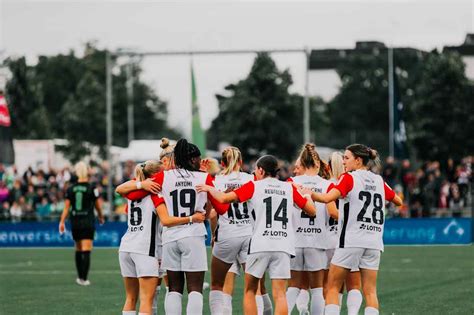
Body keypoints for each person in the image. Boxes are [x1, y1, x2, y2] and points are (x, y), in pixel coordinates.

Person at [120, 138, 228, 315]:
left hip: (170, 237)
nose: (200, 162)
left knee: (174, 289)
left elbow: (132, 195)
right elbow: (219, 209)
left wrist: (140, 184)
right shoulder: (204, 177)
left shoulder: (163, 176)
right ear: (192, 160)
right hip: (193, 234)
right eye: (198, 159)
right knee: (195, 289)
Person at [197, 155, 317, 315]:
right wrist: (308, 195)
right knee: (280, 294)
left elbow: (224, 199)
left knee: (250, 291)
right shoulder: (289, 187)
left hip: (260, 244)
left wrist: (209, 187)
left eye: (256, 169)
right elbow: (312, 210)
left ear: (261, 170)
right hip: (283, 245)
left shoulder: (254, 186)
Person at [301, 144, 402, 315]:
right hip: (374, 242)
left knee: (333, 287)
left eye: (347, 158)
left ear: (358, 160)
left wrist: (309, 193)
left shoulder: (349, 178)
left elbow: (326, 199)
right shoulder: (378, 180)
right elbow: (398, 201)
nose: (344, 162)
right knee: (370, 292)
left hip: (351, 240)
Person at [117, 159, 206, 315]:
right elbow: (166, 221)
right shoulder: (155, 193)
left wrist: (140, 184)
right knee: (146, 301)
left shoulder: (132, 190)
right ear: (156, 175)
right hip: (145, 249)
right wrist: (192, 218)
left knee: (130, 299)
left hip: (126, 247)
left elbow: (119, 189)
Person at [286, 144, 338, 315]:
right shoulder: (327, 185)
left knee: (293, 287)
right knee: (316, 290)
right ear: (317, 164)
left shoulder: (291, 182)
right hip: (317, 241)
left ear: (302, 163)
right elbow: (332, 212)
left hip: (295, 240)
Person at [208, 146, 254, 315]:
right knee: (254, 287)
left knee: (219, 285)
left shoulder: (216, 181)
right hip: (249, 234)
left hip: (227, 235)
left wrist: (214, 235)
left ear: (222, 163)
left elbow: (212, 215)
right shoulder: (251, 179)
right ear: (241, 162)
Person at [59, 161, 104, 286]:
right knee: (86, 249)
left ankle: (79, 277)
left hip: (75, 221)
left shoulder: (71, 188)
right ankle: (84, 278)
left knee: (78, 248)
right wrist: (101, 217)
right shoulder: (92, 188)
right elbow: (98, 206)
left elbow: (66, 208)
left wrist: (62, 222)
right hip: (88, 221)